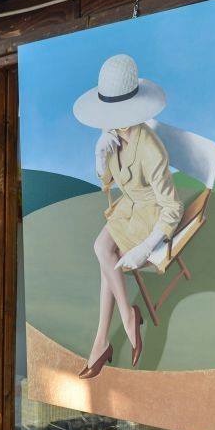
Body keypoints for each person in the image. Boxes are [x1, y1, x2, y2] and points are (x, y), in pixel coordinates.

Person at [72, 54, 182, 379]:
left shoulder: (151, 148)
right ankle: (123, 321)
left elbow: (172, 207)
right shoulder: (112, 133)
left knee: (103, 252)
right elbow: (107, 182)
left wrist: (146, 247)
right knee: (103, 253)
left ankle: (105, 337)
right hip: (128, 208)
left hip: (150, 213)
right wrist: (100, 155)